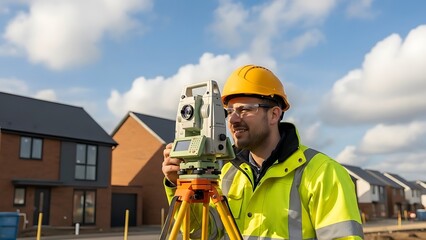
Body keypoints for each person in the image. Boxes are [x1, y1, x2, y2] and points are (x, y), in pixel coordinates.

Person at [162, 65, 364, 239]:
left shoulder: (322, 173)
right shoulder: (226, 173)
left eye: (244, 110)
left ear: (274, 114)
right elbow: (204, 233)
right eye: (229, 112)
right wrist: (176, 184)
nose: (232, 120)